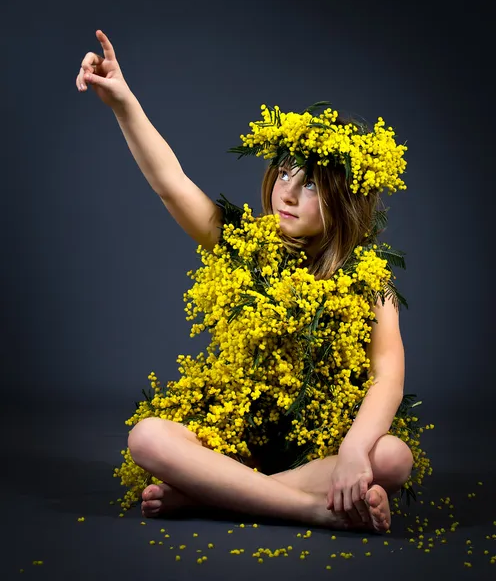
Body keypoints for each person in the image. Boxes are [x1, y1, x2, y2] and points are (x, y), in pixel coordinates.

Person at [76, 29, 420, 535]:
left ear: (346, 201)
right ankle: (307, 509)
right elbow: (171, 184)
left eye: (312, 186)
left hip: (318, 443)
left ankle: (215, 494)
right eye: (285, 174)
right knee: (147, 439)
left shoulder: (367, 275)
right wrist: (124, 103)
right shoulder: (241, 241)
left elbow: (388, 373)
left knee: (392, 458)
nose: (290, 193)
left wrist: (350, 450)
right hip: (229, 435)